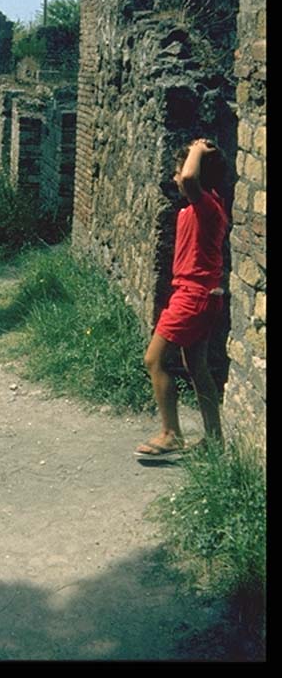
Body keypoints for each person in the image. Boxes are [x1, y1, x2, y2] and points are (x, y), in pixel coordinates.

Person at [135, 137, 229, 459]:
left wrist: (198, 150)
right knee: (198, 368)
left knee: (155, 359)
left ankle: (171, 433)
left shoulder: (207, 206)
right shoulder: (202, 208)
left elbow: (189, 178)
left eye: (178, 170)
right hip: (200, 296)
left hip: (193, 297)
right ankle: (215, 441)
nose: (176, 177)